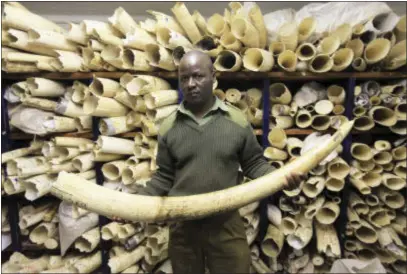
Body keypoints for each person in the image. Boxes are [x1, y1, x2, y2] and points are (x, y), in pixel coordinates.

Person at [116, 51, 304, 273]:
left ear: (213, 76)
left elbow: (254, 163)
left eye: (198, 76)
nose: (191, 84)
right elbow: (164, 177)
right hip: (183, 227)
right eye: (184, 78)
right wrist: (133, 204)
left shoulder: (236, 121)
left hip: (226, 223)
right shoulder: (169, 127)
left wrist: (281, 179)